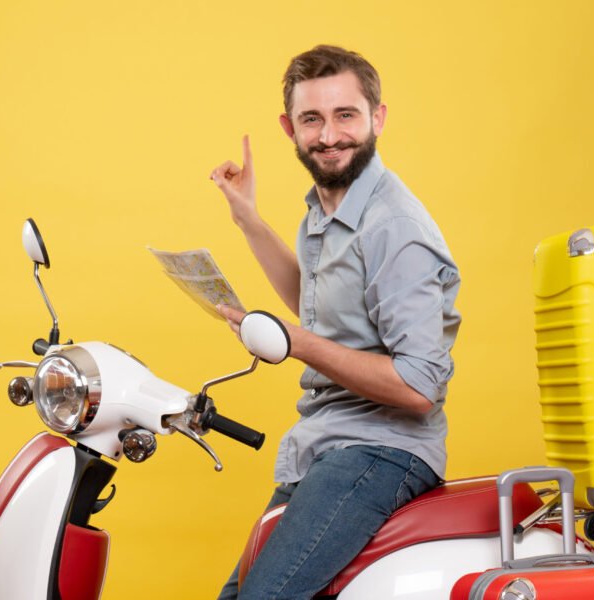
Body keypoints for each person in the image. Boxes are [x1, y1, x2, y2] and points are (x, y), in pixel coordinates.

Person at [210, 45, 461, 600]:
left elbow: (419, 388)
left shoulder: (393, 226)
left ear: (377, 116)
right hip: (325, 447)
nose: (329, 135)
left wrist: (297, 345)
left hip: (380, 449)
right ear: (289, 128)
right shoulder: (326, 210)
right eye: (312, 119)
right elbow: (317, 304)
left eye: (345, 115)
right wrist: (247, 218)